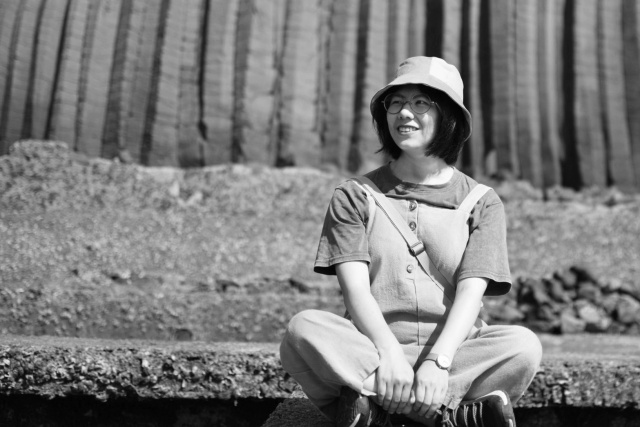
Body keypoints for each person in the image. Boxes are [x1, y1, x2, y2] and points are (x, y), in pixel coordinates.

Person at [279, 56, 542, 427]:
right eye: (396, 103)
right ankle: (449, 416)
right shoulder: (354, 195)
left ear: (449, 116)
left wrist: (438, 362)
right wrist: (388, 354)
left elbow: (471, 295)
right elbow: (356, 291)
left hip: (454, 356)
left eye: (421, 102)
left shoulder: (482, 201)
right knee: (303, 330)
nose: (404, 113)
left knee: (523, 345)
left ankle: (376, 409)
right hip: (372, 351)